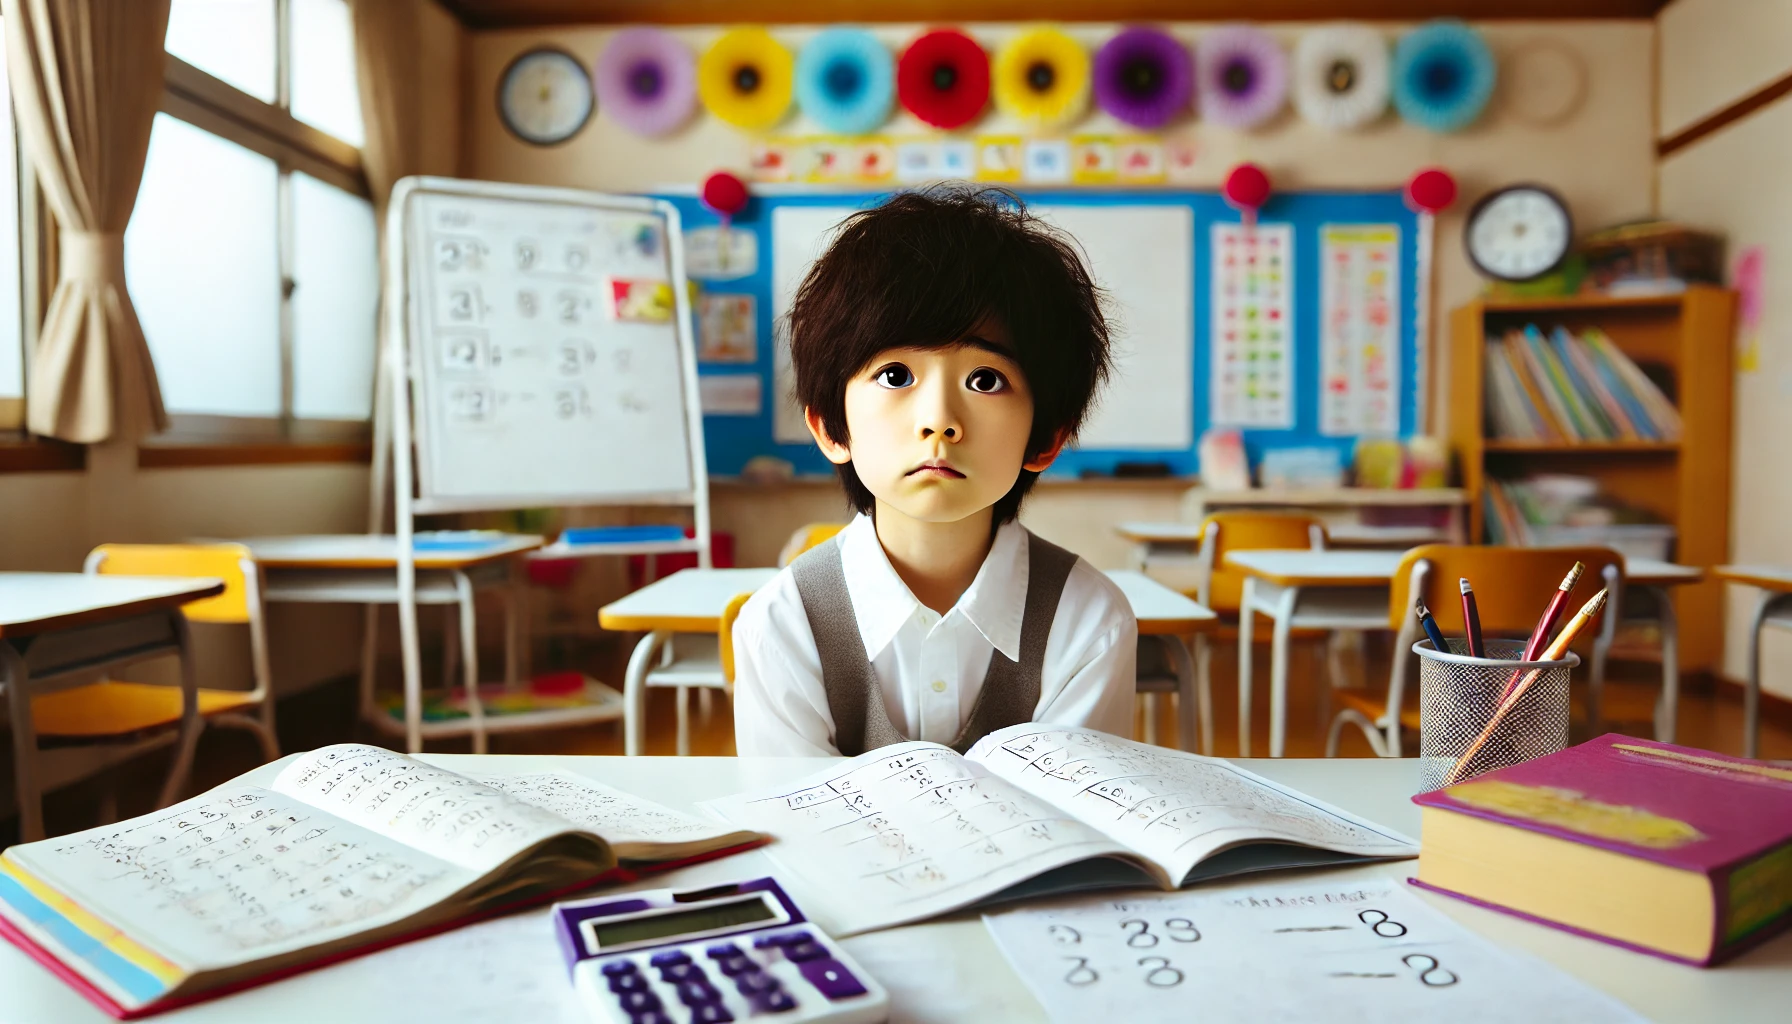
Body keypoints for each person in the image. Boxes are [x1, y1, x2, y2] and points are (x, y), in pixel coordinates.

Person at [732, 185, 1137, 757]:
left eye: (985, 380)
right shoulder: (783, 624)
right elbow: (799, 828)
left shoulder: (1087, 620)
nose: (939, 422)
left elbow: (1075, 821)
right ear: (830, 427)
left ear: (1046, 438)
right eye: (896, 375)